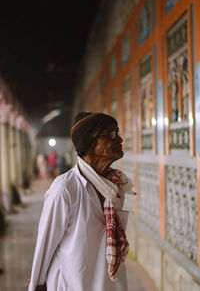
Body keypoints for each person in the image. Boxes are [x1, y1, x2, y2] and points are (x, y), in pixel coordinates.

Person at [28, 112, 134, 291]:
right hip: (73, 284)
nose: (120, 139)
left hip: (108, 284)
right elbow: (45, 246)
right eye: (112, 134)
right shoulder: (65, 189)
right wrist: (37, 285)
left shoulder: (115, 187)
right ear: (91, 143)